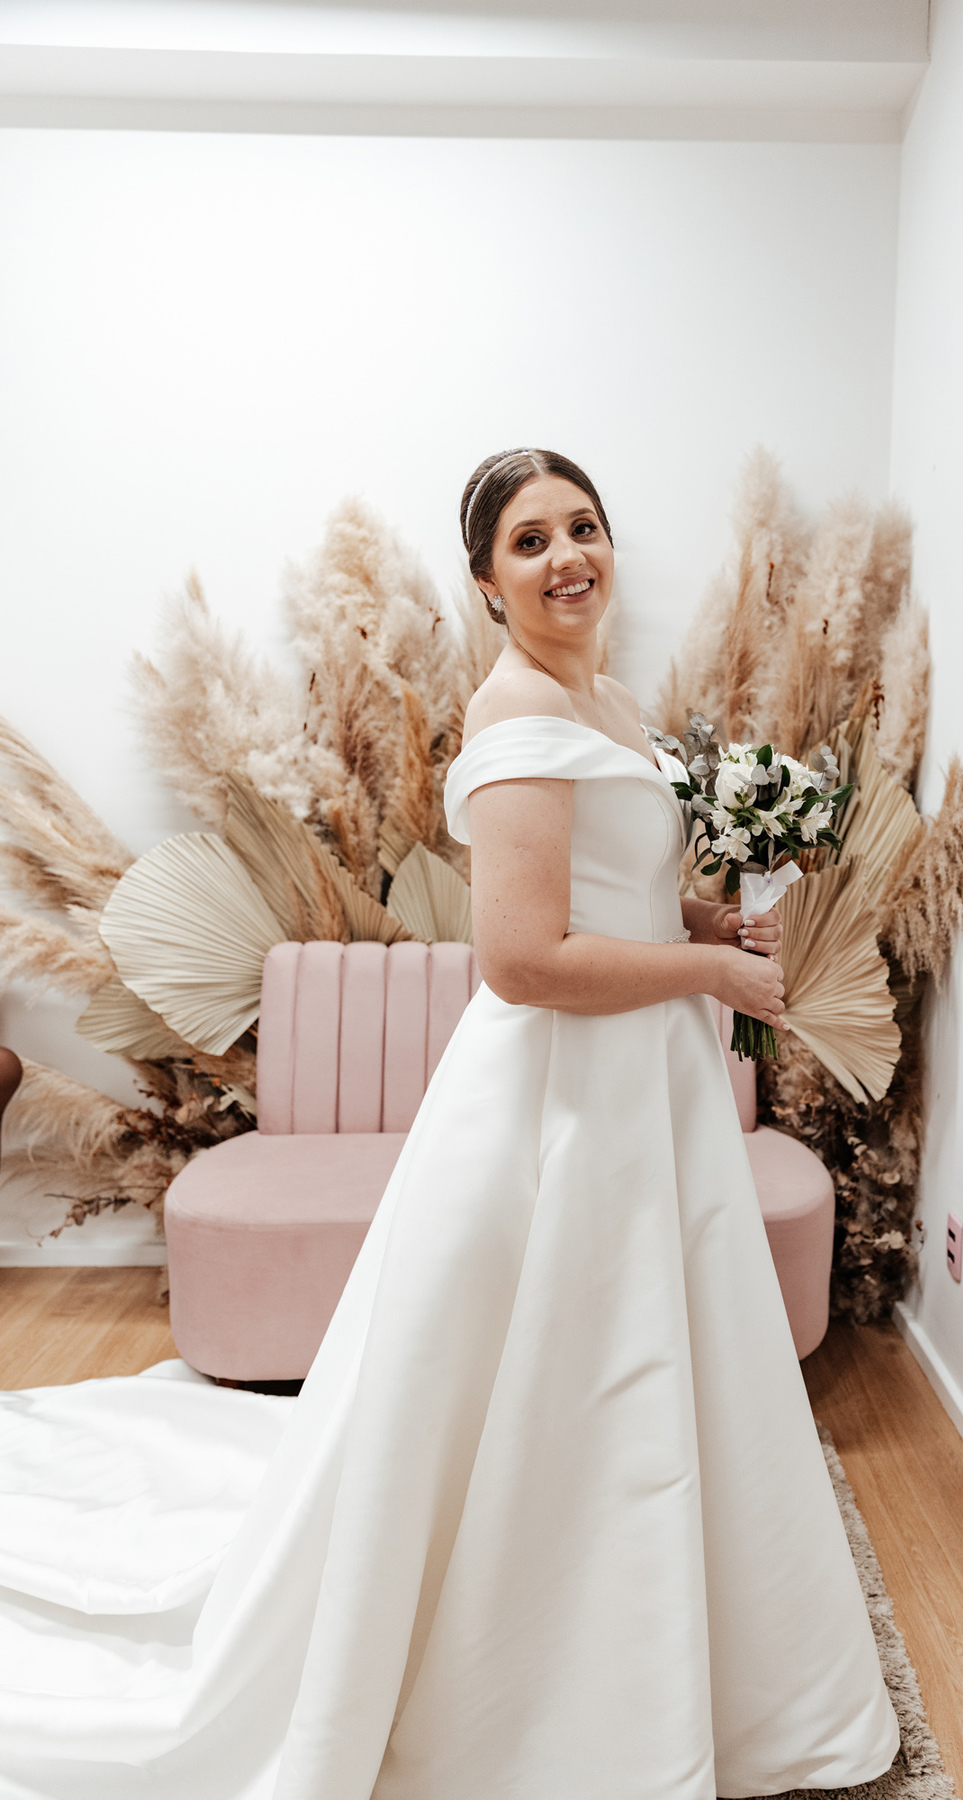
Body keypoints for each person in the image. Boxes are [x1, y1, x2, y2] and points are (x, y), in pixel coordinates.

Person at [0, 448, 900, 1800]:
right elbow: (524, 960)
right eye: (530, 541)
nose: (566, 557)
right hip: (561, 1091)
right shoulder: (517, 710)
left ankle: (668, 1637)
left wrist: (706, 920)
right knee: (559, 1367)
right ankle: (531, 1676)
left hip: (641, 1078)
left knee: (641, 1355)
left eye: (583, 527)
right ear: (486, 582)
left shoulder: (609, 699)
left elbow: (604, 894)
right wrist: (712, 978)